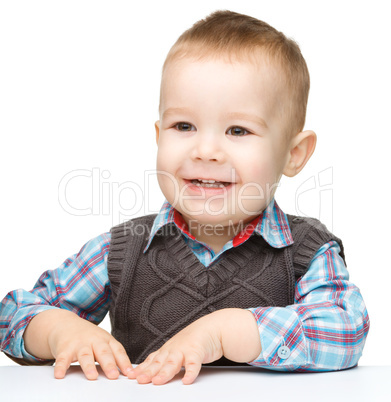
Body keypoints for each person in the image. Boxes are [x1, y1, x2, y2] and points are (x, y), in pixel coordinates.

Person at [0, 10, 369, 386]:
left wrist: (225, 331)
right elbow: (12, 315)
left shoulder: (306, 252)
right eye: (184, 126)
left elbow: (345, 329)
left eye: (238, 130)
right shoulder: (121, 252)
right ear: (159, 135)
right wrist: (61, 330)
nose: (206, 150)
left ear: (294, 154)